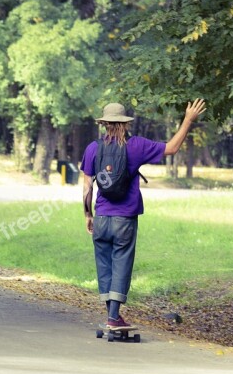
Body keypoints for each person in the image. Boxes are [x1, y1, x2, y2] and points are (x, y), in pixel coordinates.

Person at [81, 99, 206, 327]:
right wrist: (188, 120)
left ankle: (112, 316)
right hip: (124, 219)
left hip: (101, 217)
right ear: (125, 124)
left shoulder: (93, 148)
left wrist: (88, 214)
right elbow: (171, 148)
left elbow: (87, 186)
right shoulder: (135, 146)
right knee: (121, 263)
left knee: (104, 265)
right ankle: (113, 318)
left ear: (104, 124)